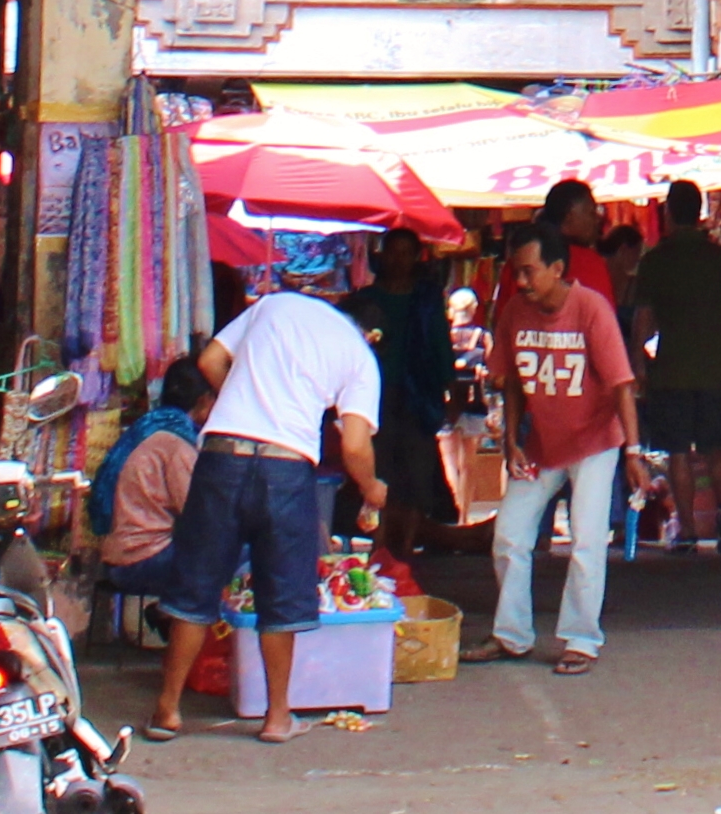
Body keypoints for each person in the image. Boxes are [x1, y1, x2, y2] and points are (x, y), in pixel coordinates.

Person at [146, 268, 386, 744]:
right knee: (282, 593)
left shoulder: (275, 305)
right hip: (286, 469)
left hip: (223, 458)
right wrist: (372, 487)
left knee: (197, 588)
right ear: (371, 334)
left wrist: (244, 397)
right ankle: (277, 717)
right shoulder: (359, 357)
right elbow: (356, 446)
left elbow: (211, 361)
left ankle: (167, 711)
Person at [485, 221, 638, 672]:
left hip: (593, 441)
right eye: (517, 272)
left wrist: (632, 452)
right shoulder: (515, 310)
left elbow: (622, 386)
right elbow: (511, 381)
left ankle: (581, 640)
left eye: (530, 271)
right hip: (540, 444)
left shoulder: (591, 309)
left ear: (557, 268)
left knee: (586, 541)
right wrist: (511, 439)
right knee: (509, 536)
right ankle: (511, 636)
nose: (522, 281)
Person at [624, 178, 721, 553]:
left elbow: (643, 320)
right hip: (715, 366)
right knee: (718, 446)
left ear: (668, 212)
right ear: (699, 211)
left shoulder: (655, 261)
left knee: (679, 451)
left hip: (672, 369)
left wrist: (638, 363)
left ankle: (687, 529)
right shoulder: (720, 260)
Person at [352, 231, 467, 536]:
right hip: (375, 398)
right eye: (393, 252)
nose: (398, 260)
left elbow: (441, 345)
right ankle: (382, 539)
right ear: (382, 255)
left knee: (418, 469)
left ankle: (409, 540)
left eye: (406, 253)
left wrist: (451, 390)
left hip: (419, 396)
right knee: (381, 467)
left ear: (416, 257)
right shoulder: (366, 300)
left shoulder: (427, 299)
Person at [91, 356, 213, 612]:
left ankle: (171, 615)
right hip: (142, 561)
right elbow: (198, 514)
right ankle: (177, 619)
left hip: (118, 557)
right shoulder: (176, 443)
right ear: (204, 400)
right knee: (244, 551)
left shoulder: (147, 428)